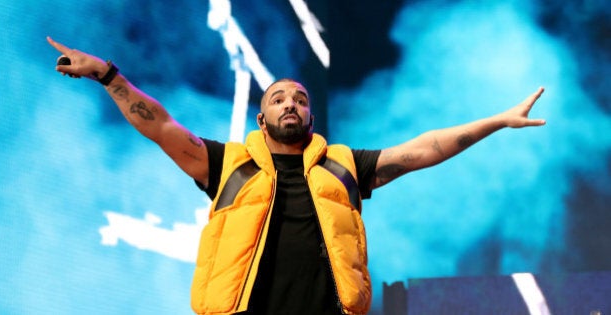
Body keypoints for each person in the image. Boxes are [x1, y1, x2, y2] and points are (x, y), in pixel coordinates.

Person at [47, 36, 546, 315]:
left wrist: (497, 121)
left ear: (311, 117)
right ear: (260, 119)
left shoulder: (346, 166)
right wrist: (105, 74)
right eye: (278, 98)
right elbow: (158, 124)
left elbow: (425, 150)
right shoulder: (227, 163)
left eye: (301, 99)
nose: (291, 103)